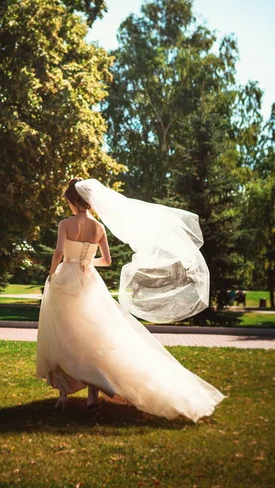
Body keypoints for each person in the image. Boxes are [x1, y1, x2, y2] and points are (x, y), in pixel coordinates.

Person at [36, 177, 226, 422]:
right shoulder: (99, 228)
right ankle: (93, 394)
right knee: (93, 335)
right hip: (90, 280)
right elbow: (107, 261)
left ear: (73, 202)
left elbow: (60, 253)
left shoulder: (65, 224)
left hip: (66, 278)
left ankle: (63, 395)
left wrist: (53, 273)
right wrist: (86, 262)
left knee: (64, 334)